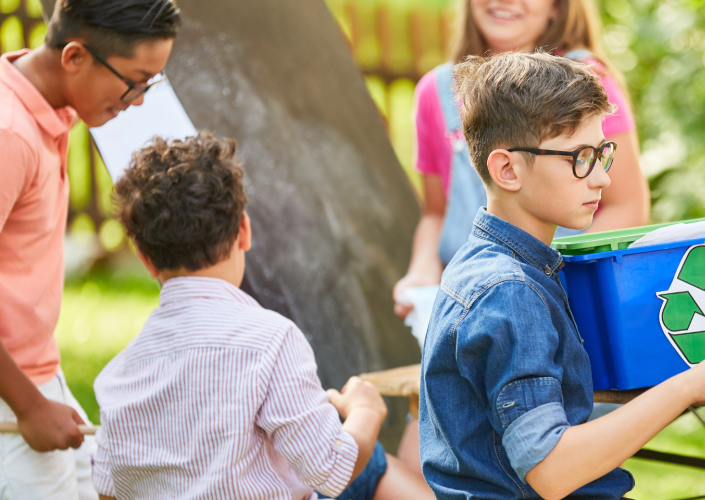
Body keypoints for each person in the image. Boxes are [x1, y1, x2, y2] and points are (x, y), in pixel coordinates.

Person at [418, 51, 705, 500]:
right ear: (507, 169)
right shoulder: (509, 291)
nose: (599, 178)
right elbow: (552, 470)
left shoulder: (492, 265)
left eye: (602, 154)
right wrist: (693, 383)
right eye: (579, 158)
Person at [90, 133, 433, 500]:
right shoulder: (271, 341)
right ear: (243, 230)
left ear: (144, 258)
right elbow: (334, 470)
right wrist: (365, 410)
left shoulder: (117, 376)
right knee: (374, 466)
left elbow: (109, 492)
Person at [0, 0, 178, 497]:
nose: (139, 99)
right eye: (135, 81)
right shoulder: (9, 134)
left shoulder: (50, 104)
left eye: (151, 84)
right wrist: (29, 407)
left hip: (35, 371)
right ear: (74, 57)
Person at [392, 0, 649, 320]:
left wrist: (544, 281)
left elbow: (628, 205)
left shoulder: (584, 81)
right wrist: (421, 273)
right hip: (477, 308)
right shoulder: (437, 91)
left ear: (557, 7)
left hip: (564, 300)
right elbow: (436, 213)